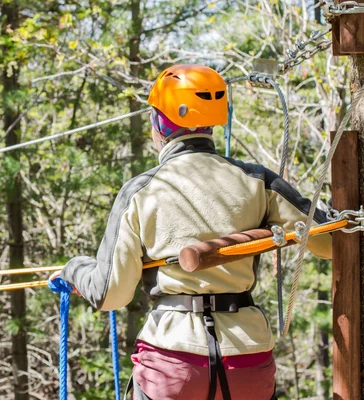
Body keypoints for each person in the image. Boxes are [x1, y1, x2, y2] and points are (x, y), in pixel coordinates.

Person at [49, 64, 332, 400]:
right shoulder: (258, 180)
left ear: (159, 123)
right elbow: (327, 241)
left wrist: (75, 270)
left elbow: (112, 293)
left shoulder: (141, 191)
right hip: (246, 358)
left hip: (173, 360)